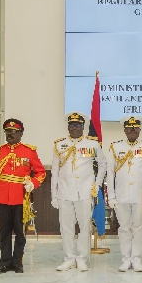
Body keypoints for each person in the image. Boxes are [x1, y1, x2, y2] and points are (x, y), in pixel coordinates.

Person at [0, 118, 46, 274]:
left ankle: (17, 262)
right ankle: (5, 262)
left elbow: (41, 172)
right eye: (7, 132)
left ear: (20, 134)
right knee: (4, 232)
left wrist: (32, 183)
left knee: (20, 232)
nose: (10, 134)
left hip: (21, 198)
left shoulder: (29, 151)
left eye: (13, 132)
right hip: (2, 198)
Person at [51, 112, 106, 272]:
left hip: (84, 192)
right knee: (66, 228)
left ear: (83, 127)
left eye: (78, 125)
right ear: (68, 127)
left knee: (84, 227)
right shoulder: (59, 145)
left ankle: (82, 258)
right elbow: (54, 171)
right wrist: (54, 195)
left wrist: (97, 184)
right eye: (71, 125)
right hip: (64, 192)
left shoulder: (92, 145)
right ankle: (69, 258)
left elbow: (102, 164)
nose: (74, 127)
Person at [107, 116, 142, 272]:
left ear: (139, 130)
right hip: (121, 194)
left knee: (137, 227)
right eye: (129, 128)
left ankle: (136, 259)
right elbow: (110, 173)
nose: (132, 131)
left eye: (135, 128)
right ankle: (125, 259)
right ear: (124, 130)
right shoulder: (115, 148)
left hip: (139, 195)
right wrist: (111, 195)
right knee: (124, 228)